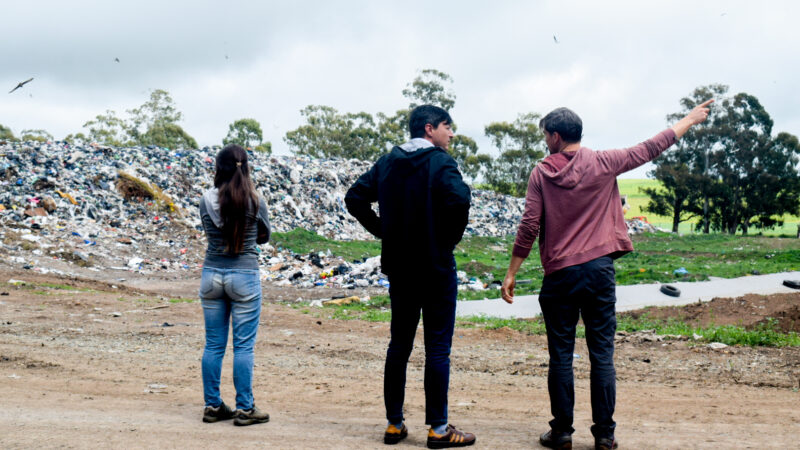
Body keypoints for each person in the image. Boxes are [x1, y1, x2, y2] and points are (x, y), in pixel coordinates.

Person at [501, 100, 713, 450]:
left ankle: (562, 432)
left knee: (561, 355)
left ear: (555, 137)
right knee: (601, 354)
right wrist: (689, 119)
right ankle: (604, 435)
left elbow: (528, 226)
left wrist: (512, 272)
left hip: (560, 275)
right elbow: (651, 148)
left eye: (545, 135)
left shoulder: (541, 174)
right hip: (599, 272)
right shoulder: (603, 162)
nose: (544, 141)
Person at [345, 105, 476, 448]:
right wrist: (447, 239)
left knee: (399, 345)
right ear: (430, 129)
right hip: (435, 268)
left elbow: (354, 197)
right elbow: (460, 200)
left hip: (400, 269)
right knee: (437, 348)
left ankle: (394, 424)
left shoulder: (389, 162)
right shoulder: (440, 162)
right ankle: (438, 429)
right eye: (448, 127)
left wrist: (384, 231)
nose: (451, 134)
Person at [198, 144, 271, 426]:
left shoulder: (206, 199)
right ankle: (245, 408)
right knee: (243, 347)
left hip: (211, 275)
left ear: (219, 168)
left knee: (214, 345)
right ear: (246, 167)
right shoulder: (256, 200)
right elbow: (263, 237)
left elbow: (208, 230)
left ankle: (213, 406)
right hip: (244, 276)